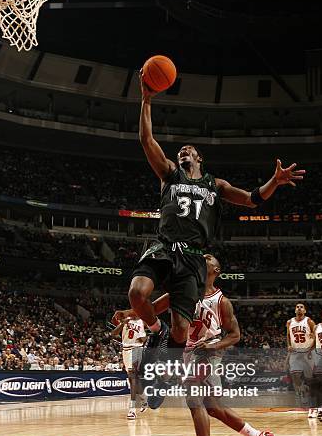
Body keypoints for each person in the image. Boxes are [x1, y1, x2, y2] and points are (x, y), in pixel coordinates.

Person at [127, 71, 306, 383]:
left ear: (199, 157)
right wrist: (146, 99)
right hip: (165, 246)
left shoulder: (215, 183)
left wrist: (274, 182)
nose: (183, 151)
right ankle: (156, 330)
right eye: (180, 150)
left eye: (189, 150)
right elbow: (146, 139)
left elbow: (252, 199)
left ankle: (162, 377)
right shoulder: (169, 173)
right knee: (136, 293)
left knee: (181, 331)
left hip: (194, 257)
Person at [114, 254, 274, 436]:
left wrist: (214, 346)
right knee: (213, 408)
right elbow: (153, 308)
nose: (203, 258)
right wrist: (128, 313)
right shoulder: (182, 291)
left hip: (207, 354)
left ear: (216, 270)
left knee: (194, 399)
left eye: (208, 258)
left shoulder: (222, 302)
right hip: (188, 352)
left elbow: (235, 335)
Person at [111, 318, 148, 419]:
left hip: (136, 349)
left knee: (133, 378)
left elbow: (148, 337)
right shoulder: (126, 320)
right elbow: (113, 334)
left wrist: (143, 339)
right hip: (126, 350)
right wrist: (122, 324)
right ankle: (144, 398)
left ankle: (132, 409)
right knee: (133, 380)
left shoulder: (143, 321)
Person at [286, 303, 315, 405]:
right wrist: (289, 345)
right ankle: (302, 391)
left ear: (305, 311)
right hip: (295, 352)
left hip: (307, 351)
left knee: (309, 377)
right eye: (297, 307)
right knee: (295, 375)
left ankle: (310, 391)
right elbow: (288, 335)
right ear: (295, 310)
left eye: (301, 307)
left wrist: (312, 346)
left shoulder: (309, 321)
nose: (299, 308)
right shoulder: (290, 322)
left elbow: (317, 334)